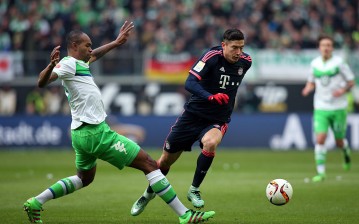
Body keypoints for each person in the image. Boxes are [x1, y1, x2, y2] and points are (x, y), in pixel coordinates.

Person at [23, 21, 215, 224]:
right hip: (95, 133)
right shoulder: (68, 63)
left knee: (84, 178)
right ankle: (185, 215)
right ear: (74, 46)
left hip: (81, 134)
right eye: (87, 45)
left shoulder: (81, 63)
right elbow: (42, 82)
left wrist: (115, 43)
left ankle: (37, 202)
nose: (90, 48)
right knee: (150, 164)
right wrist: (51, 65)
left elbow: (95, 55)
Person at [131, 28, 252, 215]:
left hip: (217, 119)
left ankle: (194, 189)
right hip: (192, 116)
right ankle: (148, 194)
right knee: (164, 162)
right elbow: (189, 83)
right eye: (234, 47)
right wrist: (210, 97)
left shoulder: (246, 62)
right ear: (223, 46)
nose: (239, 52)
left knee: (210, 143)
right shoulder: (211, 57)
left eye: (241, 48)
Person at [302, 34, 354, 182]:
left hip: (338, 107)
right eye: (323, 45)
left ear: (332, 48)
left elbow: (351, 81)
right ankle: (321, 173)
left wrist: (342, 91)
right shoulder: (314, 64)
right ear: (319, 47)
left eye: (329, 45)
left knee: (339, 141)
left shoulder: (339, 63)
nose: (326, 48)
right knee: (320, 139)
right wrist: (307, 89)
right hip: (321, 107)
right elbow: (311, 81)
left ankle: (345, 150)